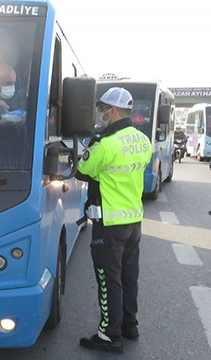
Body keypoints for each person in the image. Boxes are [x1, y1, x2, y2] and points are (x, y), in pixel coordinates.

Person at [75, 87, 152, 354]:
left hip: (109, 222)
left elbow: (83, 171)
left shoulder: (106, 144)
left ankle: (109, 335)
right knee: (129, 276)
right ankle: (130, 326)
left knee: (109, 280)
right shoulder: (143, 140)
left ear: (114, 111)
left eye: (103, 109)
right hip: (133, 219)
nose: (101, 113)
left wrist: (91, 148)